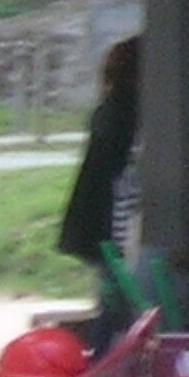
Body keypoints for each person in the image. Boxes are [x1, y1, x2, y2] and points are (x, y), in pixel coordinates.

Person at [57, 36, 141, 349]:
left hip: (101, 229)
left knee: (114, 308)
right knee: (120, 311)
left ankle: (102, 372)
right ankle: (104, 375)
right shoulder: (128, 116)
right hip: (116, 231)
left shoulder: (109, 112)